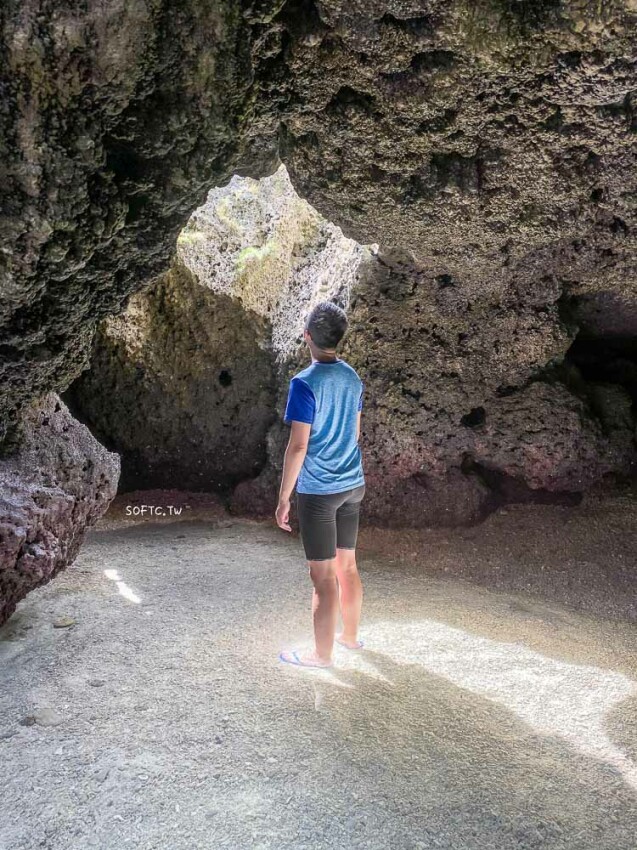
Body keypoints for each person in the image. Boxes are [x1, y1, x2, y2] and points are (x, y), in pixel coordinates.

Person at [275, 301, 366, 669]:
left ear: (307, 337)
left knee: (323, 577)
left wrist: (284, 497)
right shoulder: (352, 378)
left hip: (319, 493)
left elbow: (298, 445)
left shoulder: (304, 383)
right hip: (352, 484)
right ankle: (350, 638)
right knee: (348, 567)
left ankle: (321, 655)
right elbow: (355, 433)